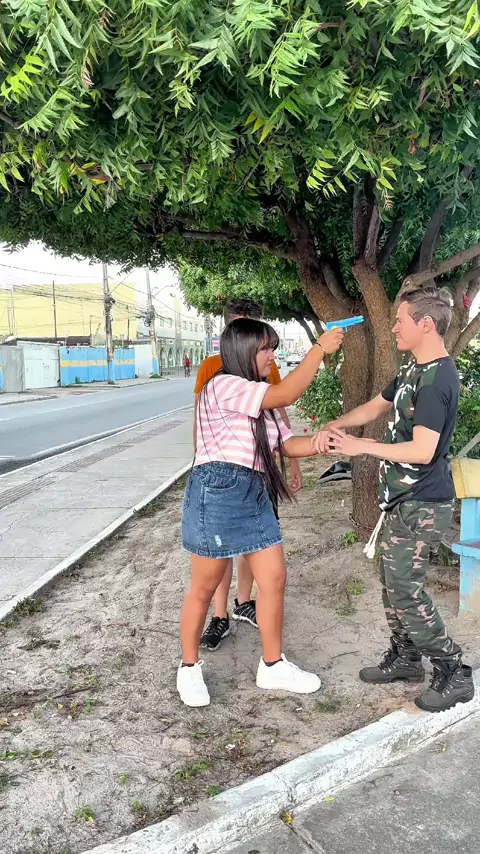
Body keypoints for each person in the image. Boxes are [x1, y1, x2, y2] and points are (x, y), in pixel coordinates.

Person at [314, 286, 474, 713]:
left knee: (406, 589)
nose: (394, 328)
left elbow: (422, 450)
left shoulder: (438, 378)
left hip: (423, 502)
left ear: (426, 324)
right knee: (392, 585)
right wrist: (335, 426)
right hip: (402, 500)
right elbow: (374, 407)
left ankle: (453, 671)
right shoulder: (412, 369)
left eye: (400, 321)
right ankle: (406, 658)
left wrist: (361, 449)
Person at [178, 318, 343, 706]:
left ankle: (272, 665)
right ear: (242, 351)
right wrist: (319, 350)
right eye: (265, 349)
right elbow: (288, 393)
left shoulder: (260, 400)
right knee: (204, 587)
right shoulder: (222, 385)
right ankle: (188, 667)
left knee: (274, 578)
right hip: (218, 492)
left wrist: (322, 442)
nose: (272, 356)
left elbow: (286, 445)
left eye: (273, 348)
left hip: (253, 492)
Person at [194, 299, 303, 652]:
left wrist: (302, 454)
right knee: (216, 558)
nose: (269, 353)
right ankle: (219, 616)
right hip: (223, 479)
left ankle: (245, 606)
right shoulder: (214, 372)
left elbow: (279, 414)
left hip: (256, 477)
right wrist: (202, 459)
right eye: (239, 329)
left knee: (259, 556)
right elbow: (199, 416)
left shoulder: (264, 368)